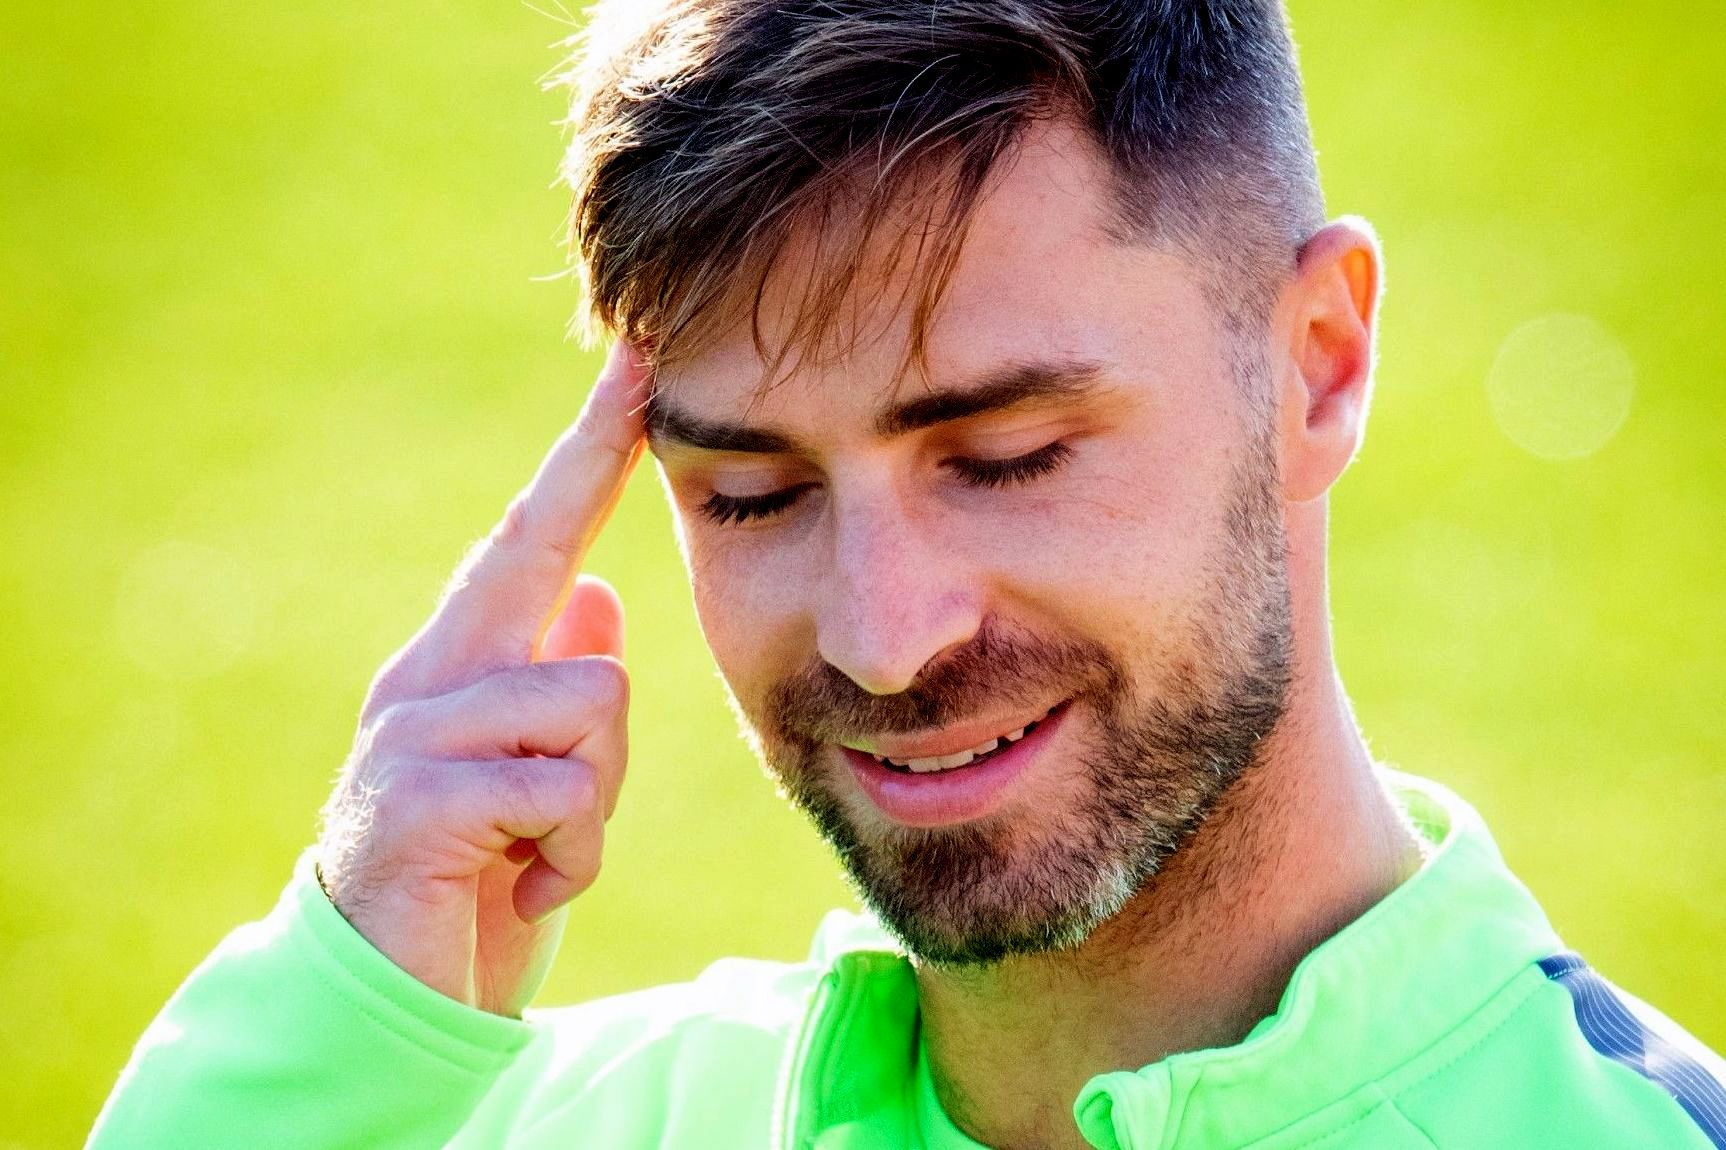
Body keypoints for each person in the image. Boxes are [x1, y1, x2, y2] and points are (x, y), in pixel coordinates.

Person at [89, 2, 1725, 1148]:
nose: (882, 636)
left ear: (1313, 361)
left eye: (1005, 455)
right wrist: (334, 1031)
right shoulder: (529, 1123)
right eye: (750, 490)